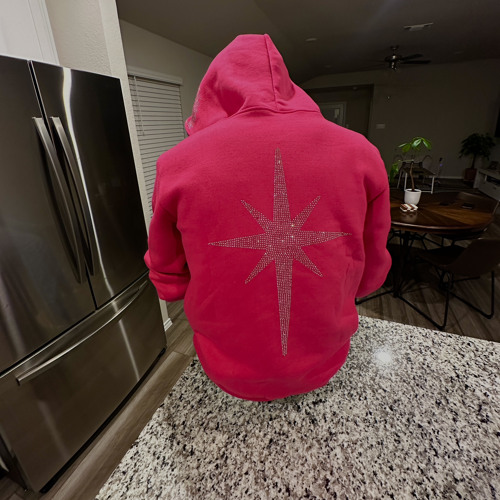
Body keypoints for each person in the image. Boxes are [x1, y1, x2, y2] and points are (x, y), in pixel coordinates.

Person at [145, 34, 391, 401]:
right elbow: (372, 260)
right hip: (326, 350)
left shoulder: (176, 164)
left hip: (226, 360)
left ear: (214, 90)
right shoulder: (362, 152)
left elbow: (167, 271)